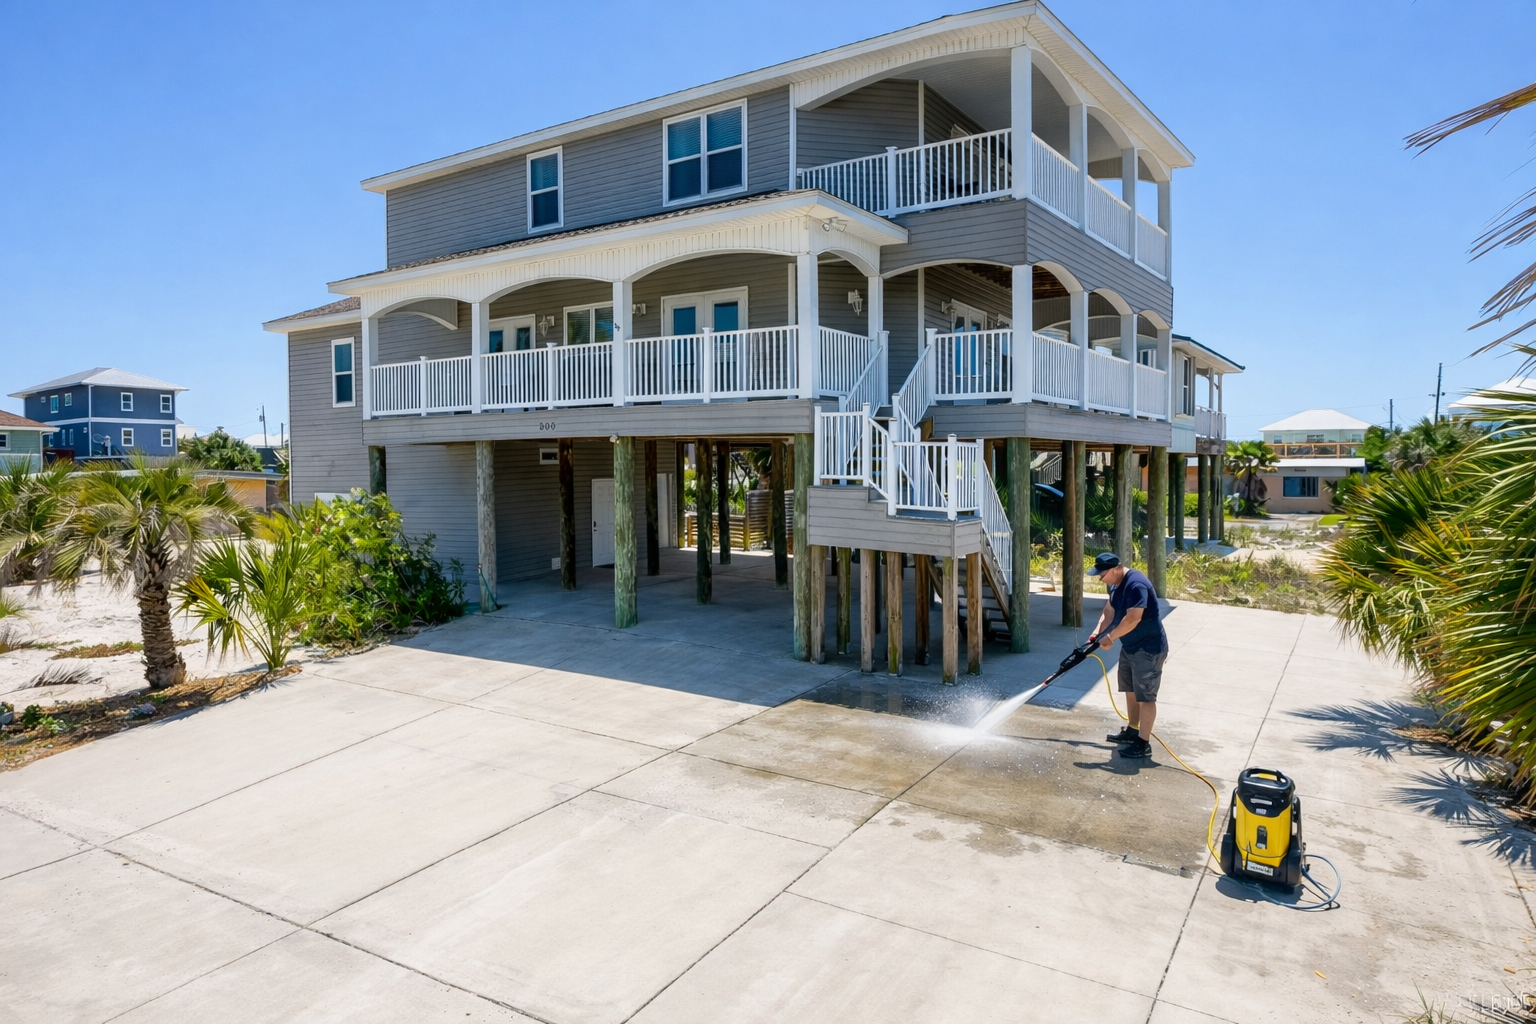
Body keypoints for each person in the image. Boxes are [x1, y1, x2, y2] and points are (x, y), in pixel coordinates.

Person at [1087, 552, 1167, 759]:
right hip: (1130, 647)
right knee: (1130, 690)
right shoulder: (1115, 584)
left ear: (1115, 569)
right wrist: (1098, 632)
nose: (1099, 578)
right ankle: (1133, 730)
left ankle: (1143, 743)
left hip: (1148, 649)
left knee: (1146, 697)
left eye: (1102, 574)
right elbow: (1109, 611)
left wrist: (1111, 638)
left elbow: (1133, 618)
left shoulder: (1135, 584)